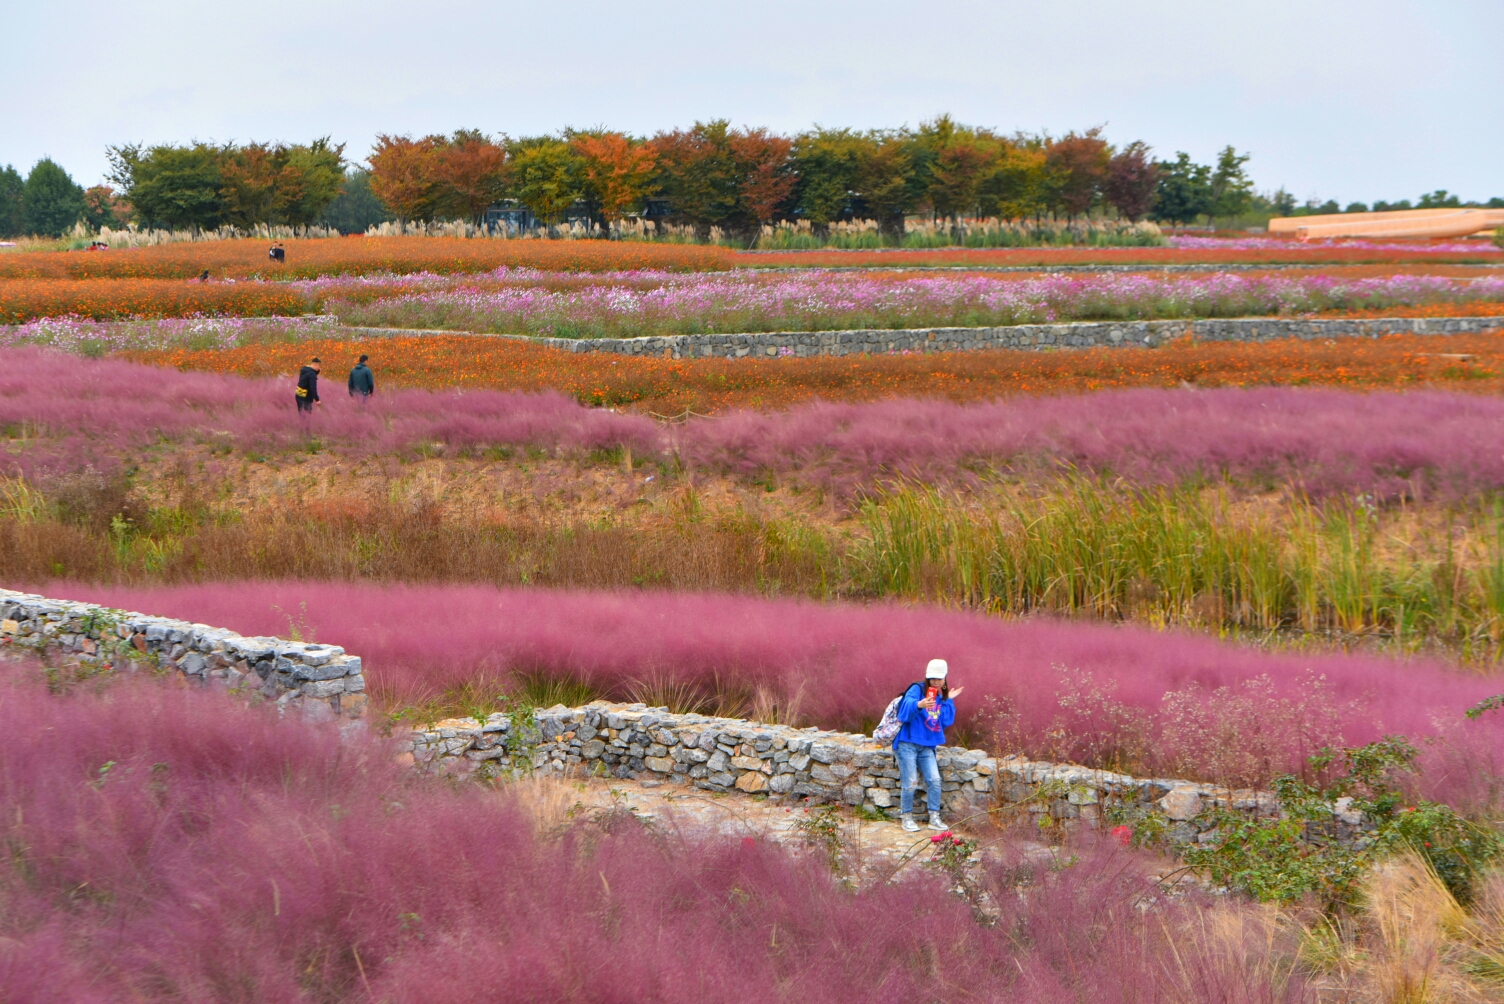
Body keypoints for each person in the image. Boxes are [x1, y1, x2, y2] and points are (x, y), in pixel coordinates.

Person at [892, 658, 964, 832]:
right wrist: (919, 704)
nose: (936, 682)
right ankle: (907, 818)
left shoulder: (941, 695)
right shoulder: (917, 689)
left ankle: (934, 817)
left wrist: (949, 699)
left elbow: (945, 720)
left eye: (939, 679)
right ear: (927, 677)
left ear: (945, 678)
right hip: (907, 742)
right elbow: (905, 709)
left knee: (935, 780)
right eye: (932, 678)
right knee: (910, 782)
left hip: (927, 745)